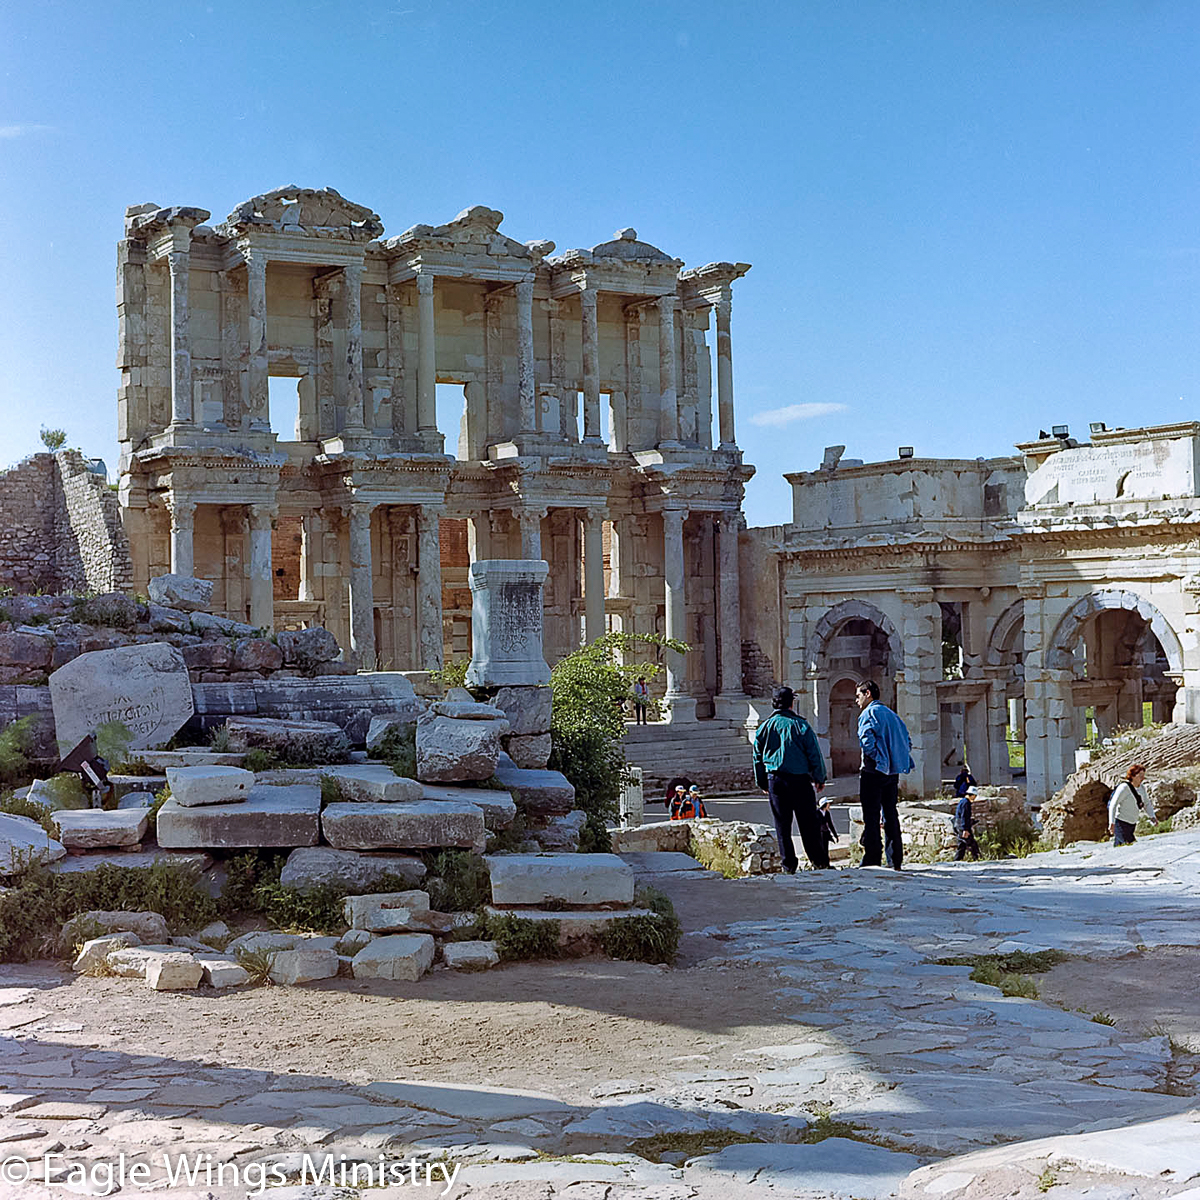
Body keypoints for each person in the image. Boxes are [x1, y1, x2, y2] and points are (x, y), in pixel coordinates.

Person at [752, 685, 830, 873]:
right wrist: (819, 777)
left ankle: (788, 865)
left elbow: (757, 758)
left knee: (782, 825)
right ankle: (818, 861)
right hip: (800, 781)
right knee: (808, 823)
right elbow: (814, 754)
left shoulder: (764, 728)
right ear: (791, 703)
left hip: (775, 780)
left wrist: (762, 782)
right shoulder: (800, 725)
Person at [855, 680, 915, 870]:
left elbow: (866, 740)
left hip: (873, 771)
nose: (856, 700)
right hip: (891, 772)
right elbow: (907, 741)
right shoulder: (893, 715)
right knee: (890, 814)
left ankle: (872, 858)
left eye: (858, 695)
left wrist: (877, 758)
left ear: (868, 694)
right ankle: (895, 859)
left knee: (871, 816)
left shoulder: (868, 713)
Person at [1108, 764, 1154, 846]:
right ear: (1133, 776)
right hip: (1120, 823)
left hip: (1132, 824)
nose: (1143, 778)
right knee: (1128, 845)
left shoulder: (1141, 788)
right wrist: (1112, 823)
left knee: (1119, 847)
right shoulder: (1124, 788)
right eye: (1140, 776)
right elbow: (1113, 804)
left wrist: (1152, 816)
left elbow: (1146, 803)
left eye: (1143, 776)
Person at [954, 784, 981, 861]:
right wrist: (965, 829)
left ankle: (957, 860)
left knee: (962, 846)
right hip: (962, 827)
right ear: (972, 795)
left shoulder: (963, 801)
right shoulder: (966, 803)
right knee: (972, 844)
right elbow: (964, 816)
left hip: (959, 825)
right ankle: (977, 859)